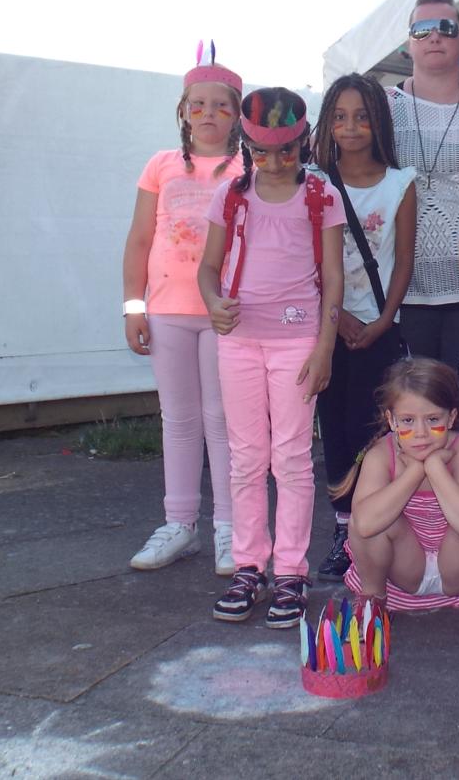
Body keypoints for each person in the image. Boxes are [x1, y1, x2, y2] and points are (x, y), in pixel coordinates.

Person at [197, 87, 344, 628]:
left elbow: (334, 279)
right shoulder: (230, 195)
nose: (275, 162)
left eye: (286, 150)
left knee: (291, 458)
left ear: (304, 142)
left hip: (298, 342)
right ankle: (249, 566)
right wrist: (213, 303)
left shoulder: (321, 196)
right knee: (245, 457)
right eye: (261, 151)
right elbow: (208, 268)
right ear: (245, 145)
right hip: (238, 341)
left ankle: (290, 572)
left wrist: (325, 347)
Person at [121, 43, 241, 575]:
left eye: (221, 105)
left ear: (237, 115)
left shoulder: (248, 167)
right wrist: (134, 306)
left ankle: (231, 527)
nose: (209, 114)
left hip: (224, 313)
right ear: (184, 111)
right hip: (167, 309)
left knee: (223, 419)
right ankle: (180, 524)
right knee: (179, 419)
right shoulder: (160, 166)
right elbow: (139, 238)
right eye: (198, 104)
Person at [310, 73, 418, 584]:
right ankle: (342, 530)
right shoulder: (314, 181)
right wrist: (340, 319)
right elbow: (306, 259)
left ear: (379, 121)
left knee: (375, 430)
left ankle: (374, 527)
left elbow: (404, 261)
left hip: (381, 329)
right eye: (339, 117)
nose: (350, 127)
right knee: (335, 428)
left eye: (361, 116)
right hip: (328, 329)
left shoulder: (400, 183)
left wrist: (382, 320)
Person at [337, 357, 459, 645]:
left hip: (457, 572)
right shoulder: (381, 455)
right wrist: (415, 472)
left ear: (451, 418)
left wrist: (436, 470)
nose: (421, 433)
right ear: (392, 421)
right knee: (369, 515)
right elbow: (365, 524)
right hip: (404, 571)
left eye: (433, 419)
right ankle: (373, 602)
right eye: (408, 421)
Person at [386, 0, 459, 370]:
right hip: (398, 287)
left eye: (446, 28)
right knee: (410, 396)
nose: (434, 37)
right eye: (423, 29)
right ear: (408, 44)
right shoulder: (382, 105)